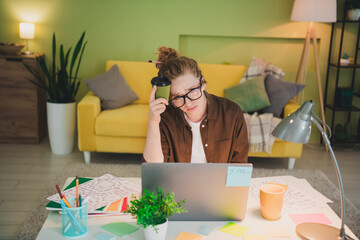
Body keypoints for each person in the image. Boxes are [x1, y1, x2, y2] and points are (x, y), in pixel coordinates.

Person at [143, 46, 249, 163]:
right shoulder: (165, 116)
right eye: (177, 97)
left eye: (192, 90)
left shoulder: (231, 113)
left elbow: (239, 163)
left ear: (203, 83)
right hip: (178, 181)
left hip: (220, 182)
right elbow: (154, 167)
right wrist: (153, 121)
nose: (188, 103)